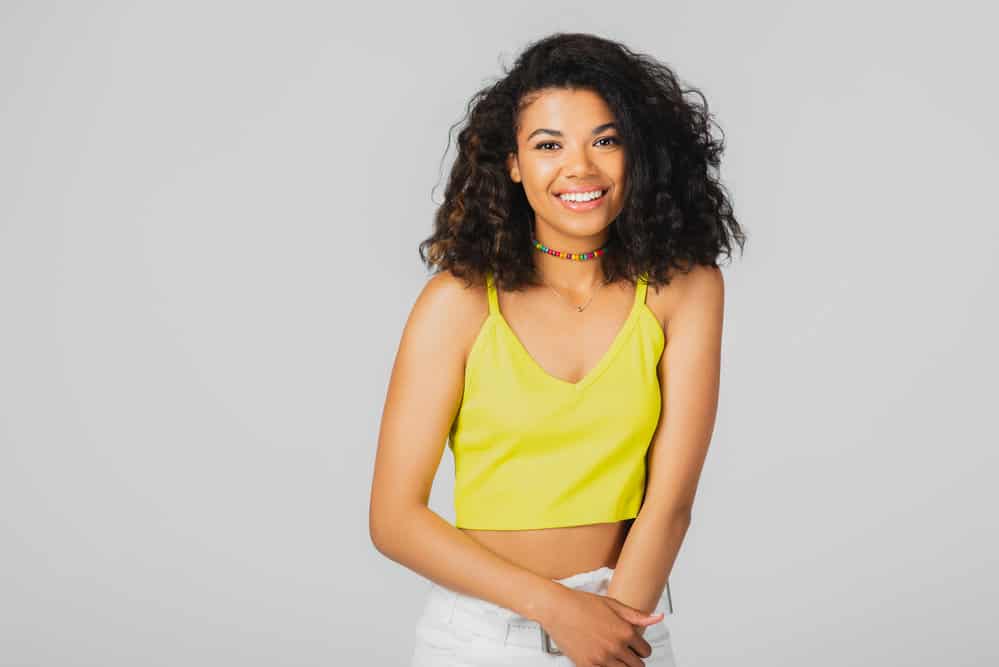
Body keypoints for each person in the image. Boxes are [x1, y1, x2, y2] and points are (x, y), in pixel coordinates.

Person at [369, 32, 745, 666]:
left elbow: (671, 502)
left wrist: (611, 631)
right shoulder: (456, 303)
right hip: (481, 639)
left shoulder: (684, 289)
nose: (580, 168)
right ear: (512, 163)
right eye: (549, 145)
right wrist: (558, 610)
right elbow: (394, 519)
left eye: (606, 140)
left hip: (627, 625)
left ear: (639, 152)